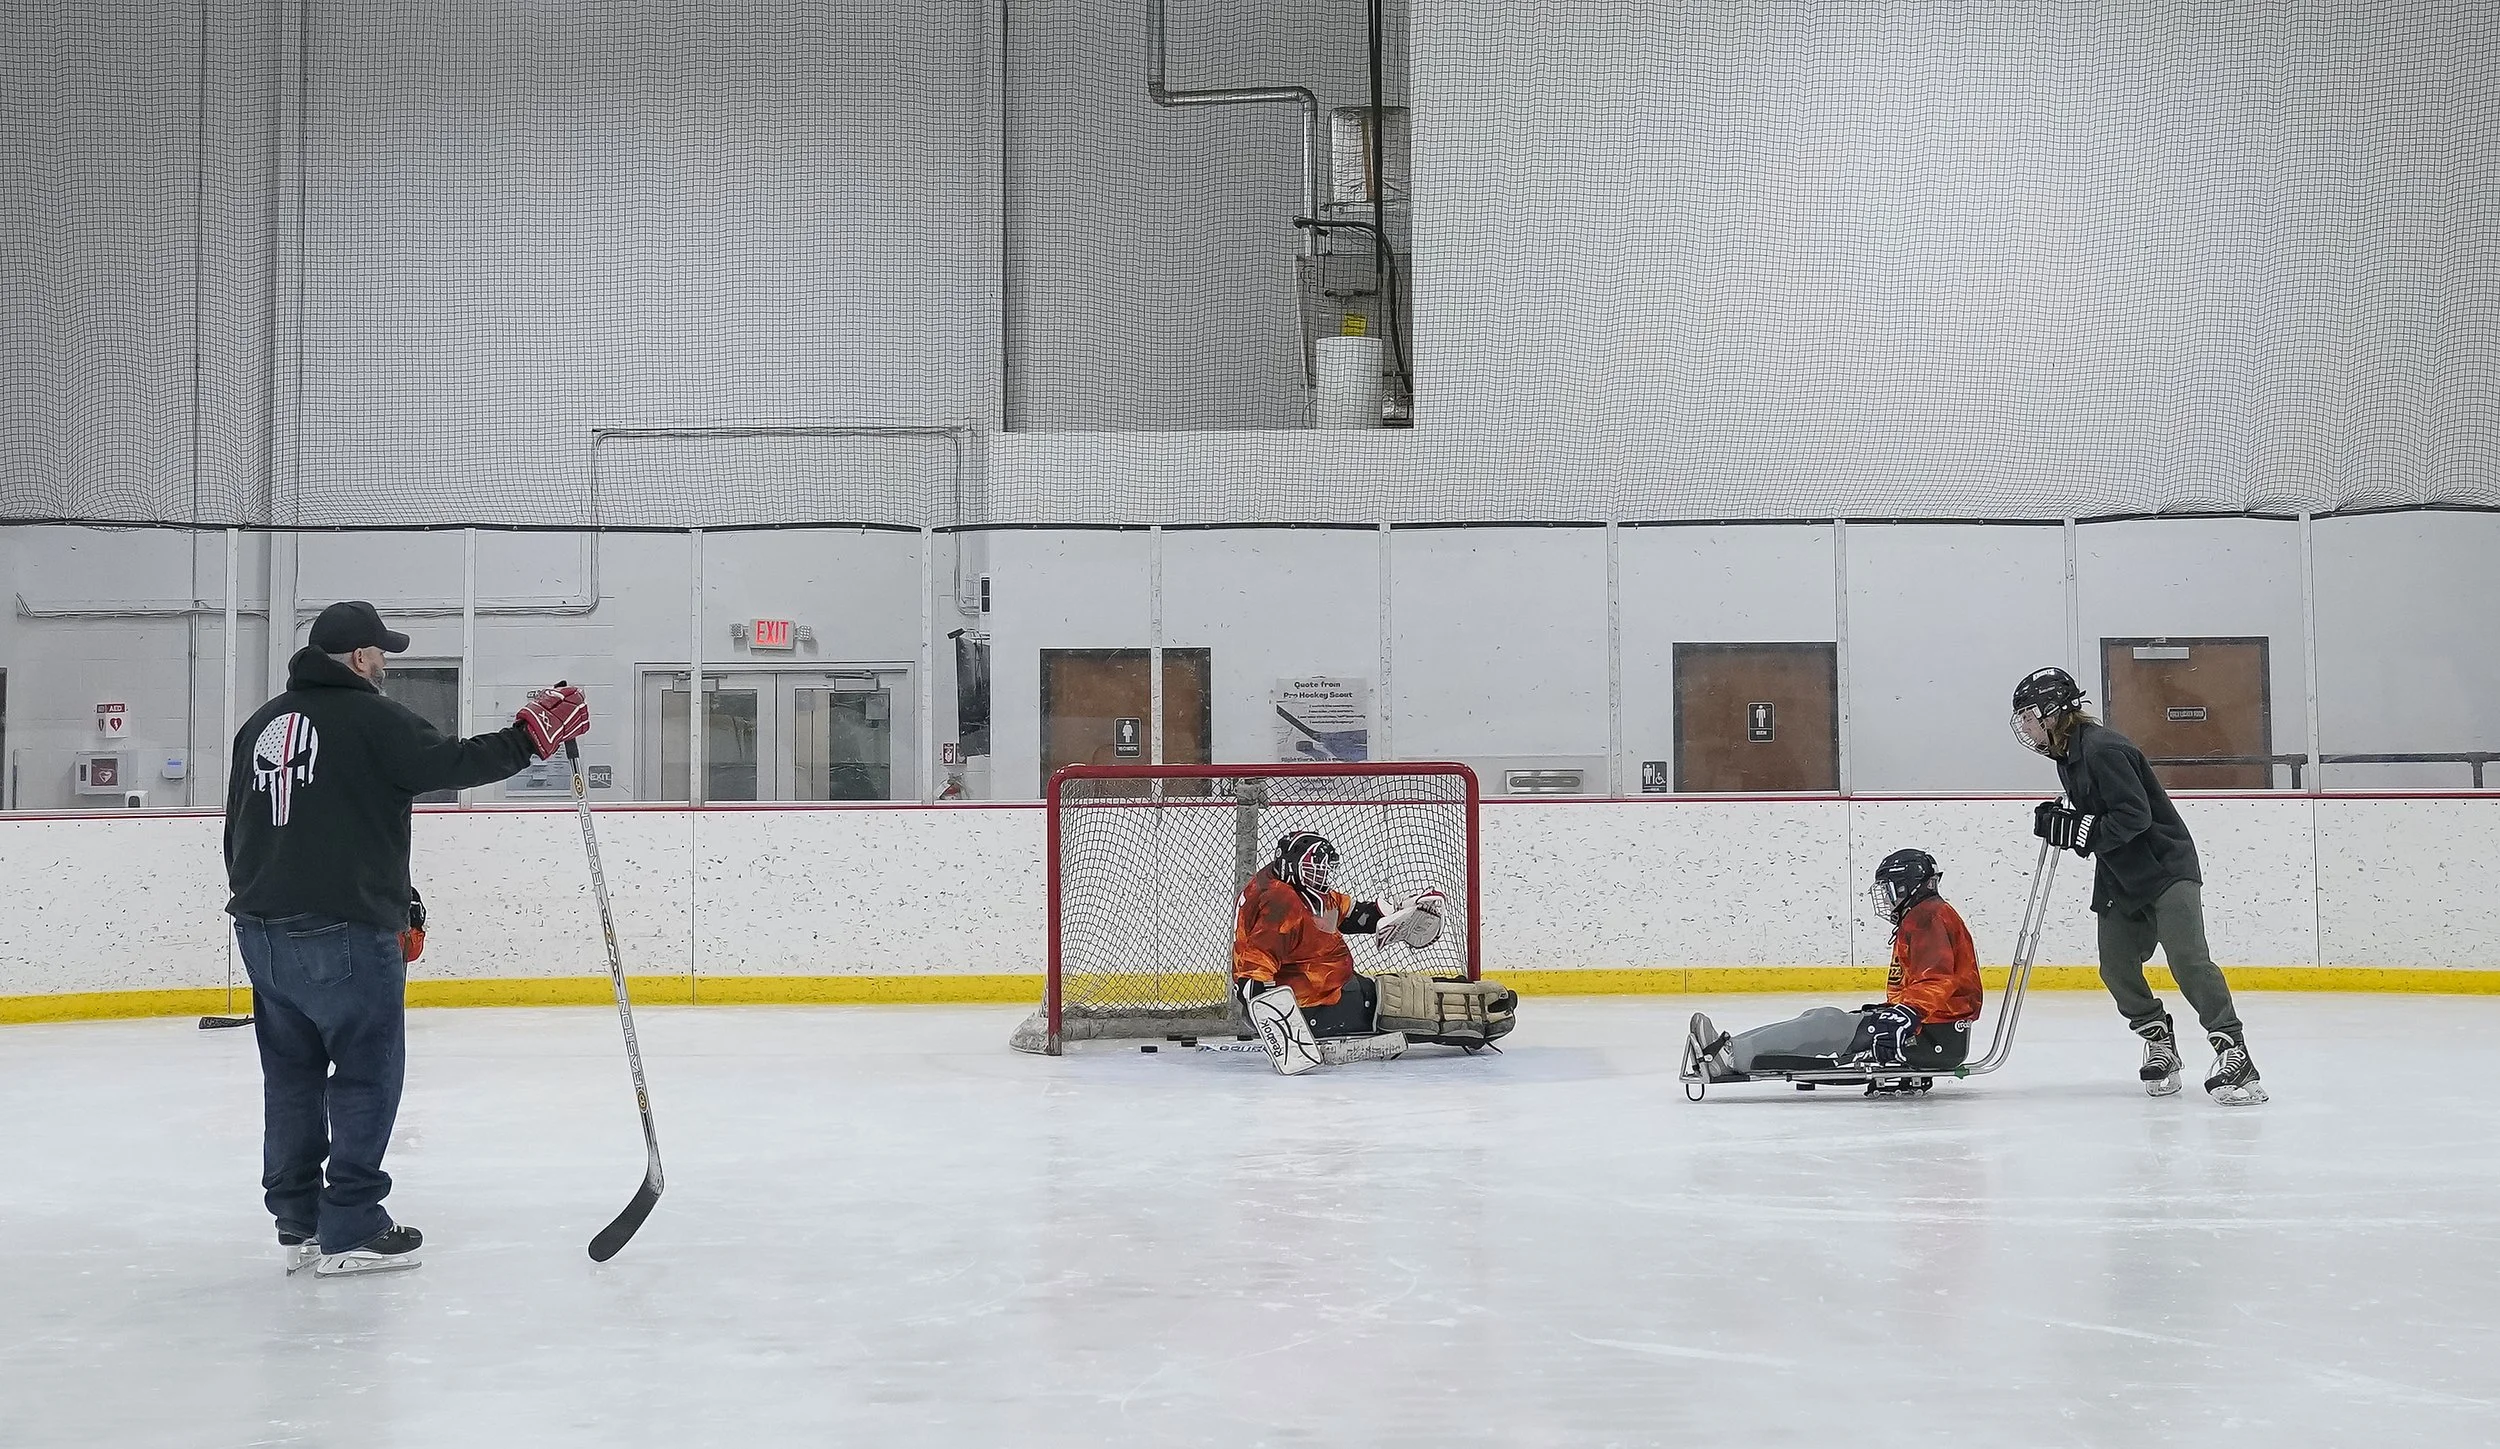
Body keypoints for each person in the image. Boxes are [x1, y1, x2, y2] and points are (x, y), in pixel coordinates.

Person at [225, 601, 593, 1276]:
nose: (386, 664)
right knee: (367, 1072)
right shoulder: (371, 716)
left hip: (261, 930)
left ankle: (298, 1220)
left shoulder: (262, 723)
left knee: (292, 1078)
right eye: (382, 653)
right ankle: (353, 1223)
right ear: (361, 657)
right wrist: (529, 736)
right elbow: (448, 762)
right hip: (343, 932)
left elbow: (247, 828)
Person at [2009, 666, 2264, 1105]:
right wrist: (2064, 818)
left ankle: (2233, 1051)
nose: (2026, 726)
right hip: (2119, 876)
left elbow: (2134, 815)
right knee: (2117, 968)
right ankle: (2159, 1038)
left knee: (2188, 961)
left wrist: (2081, 831)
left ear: (2055, 712)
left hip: (2164, 869)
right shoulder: (2067, 755)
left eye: (2030, 715)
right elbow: (2098, 811)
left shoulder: (2104, 748)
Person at [1687, 849, 1982, 1086]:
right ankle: (1731, 1049)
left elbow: (1937, 979)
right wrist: (1901, 1010)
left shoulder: (1926, 917)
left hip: (1931, 1037)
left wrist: (1906, 1014)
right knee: (1821, 1018)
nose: (1888, 899)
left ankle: (1728, 1057)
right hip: (1929, 1028)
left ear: (1906, 886)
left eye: (1890, 890)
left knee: (1827, 1025)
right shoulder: (1928, 914)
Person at [1230, 831, 1517, 1074]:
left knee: (1396, 989)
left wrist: (1402, 910)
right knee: (1405, 1005)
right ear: (1293, 864)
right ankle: (1478, 1011)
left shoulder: (1289, 883)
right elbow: (1254, 967)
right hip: (1316, 1005)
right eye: (1313, 868)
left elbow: (1349, 914)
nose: (1321, 875)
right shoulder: (1281, 903)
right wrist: (1277, 1022)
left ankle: (1470, 998)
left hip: (1335, 987)